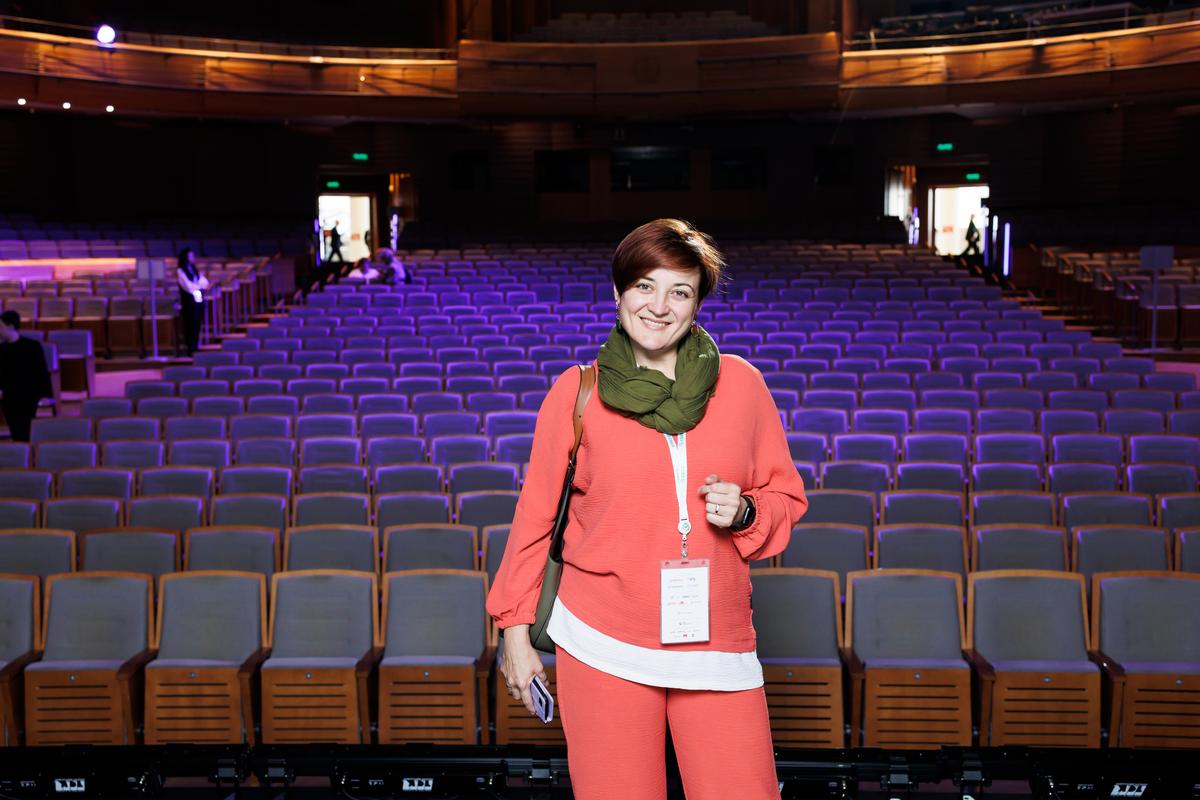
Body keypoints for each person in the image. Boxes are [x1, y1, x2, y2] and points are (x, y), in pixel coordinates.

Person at [487, 219, 809, 800]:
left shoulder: (742, 386)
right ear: (618, 292)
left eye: (679, 291)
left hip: (716, 642)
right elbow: (534, 520)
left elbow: (785, 498)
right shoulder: (576, 392)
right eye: (644, 286)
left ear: (697, 304)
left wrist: (745, 512)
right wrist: (514, 633)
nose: (659, 307)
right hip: (601, 640)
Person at [0, 310, 53, 443]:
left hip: (29, 396)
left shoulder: (32, 347)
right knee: (16, 431)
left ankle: (26, 451)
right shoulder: (1, 349)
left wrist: (46, 395)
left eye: (1, 326)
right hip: (9, 397)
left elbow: (41, 372)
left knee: (26, 430)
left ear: (11, 326)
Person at [176, 248, 210, 356]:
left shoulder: (194, 269)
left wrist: (199, 286)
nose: (193, 258)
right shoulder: (180, 271)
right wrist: (198, 287)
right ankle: (190, 347)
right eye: (190, 256)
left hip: (198, 298)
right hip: (189, 301)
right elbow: (188, 286)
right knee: (190, 323)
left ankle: (195, 345)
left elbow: (204, 282)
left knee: (197, 323)